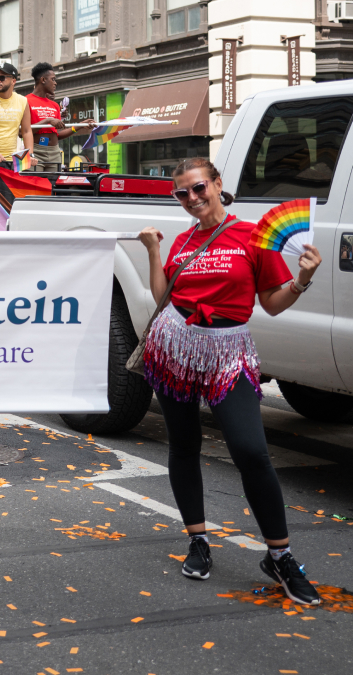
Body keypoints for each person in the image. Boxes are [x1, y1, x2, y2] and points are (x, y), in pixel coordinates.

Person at [136, 157, 323, 605]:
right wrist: (154, 252)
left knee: (251, 451)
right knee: (184, 445)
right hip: (175, 348)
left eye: (199, 188)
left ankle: (279, 556)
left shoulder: (252, 237)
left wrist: (302, 280)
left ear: (218, 185)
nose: (192, 199)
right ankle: (198, 540)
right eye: (182, 193)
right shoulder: (183, 241)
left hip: (227, 352)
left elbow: (272, 304)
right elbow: (164, 298)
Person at [27, 62, 92, 172]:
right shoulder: (25, 101)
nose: (55, 83)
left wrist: (80, 125)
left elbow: (58, 134)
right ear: (43, 80)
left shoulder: (55, 105)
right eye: (53, 79)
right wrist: (48, 120)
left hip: (55, 152)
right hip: (35, 151)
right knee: (35, 186)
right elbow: (22, 132)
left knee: (53, 187)